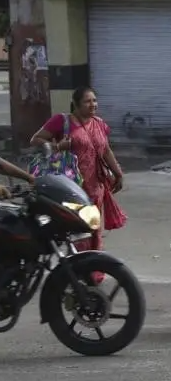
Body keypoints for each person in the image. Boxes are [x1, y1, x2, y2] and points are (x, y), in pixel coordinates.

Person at [30, 87, 128, 256]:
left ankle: (94, 267)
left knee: (94, 227)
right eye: (87, 101)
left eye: (94, 100)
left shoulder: (99, 124)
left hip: (96, 186)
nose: (93, 105)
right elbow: (35, 140)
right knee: (77, 229)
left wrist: (118, 173)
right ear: (76, 104)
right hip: (72, 186)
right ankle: (77, 266)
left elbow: (105, 151)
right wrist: (58, 147)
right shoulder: (62, 121)